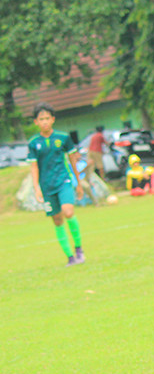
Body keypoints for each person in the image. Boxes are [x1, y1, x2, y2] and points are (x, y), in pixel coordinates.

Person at [27, 103, 86, 266]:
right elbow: (34, 167)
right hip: (47, 186)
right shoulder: (33, 143)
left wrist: (78, 183)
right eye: (41, 119)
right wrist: (37, 188)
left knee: (68, 211)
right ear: (36, 122)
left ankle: (79, 249)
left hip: (63, 181)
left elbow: (73, 160)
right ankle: (70, 257)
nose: (45, 122)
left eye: (47, 118)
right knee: (57, 220)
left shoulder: (63, 138)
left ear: (53, 119)